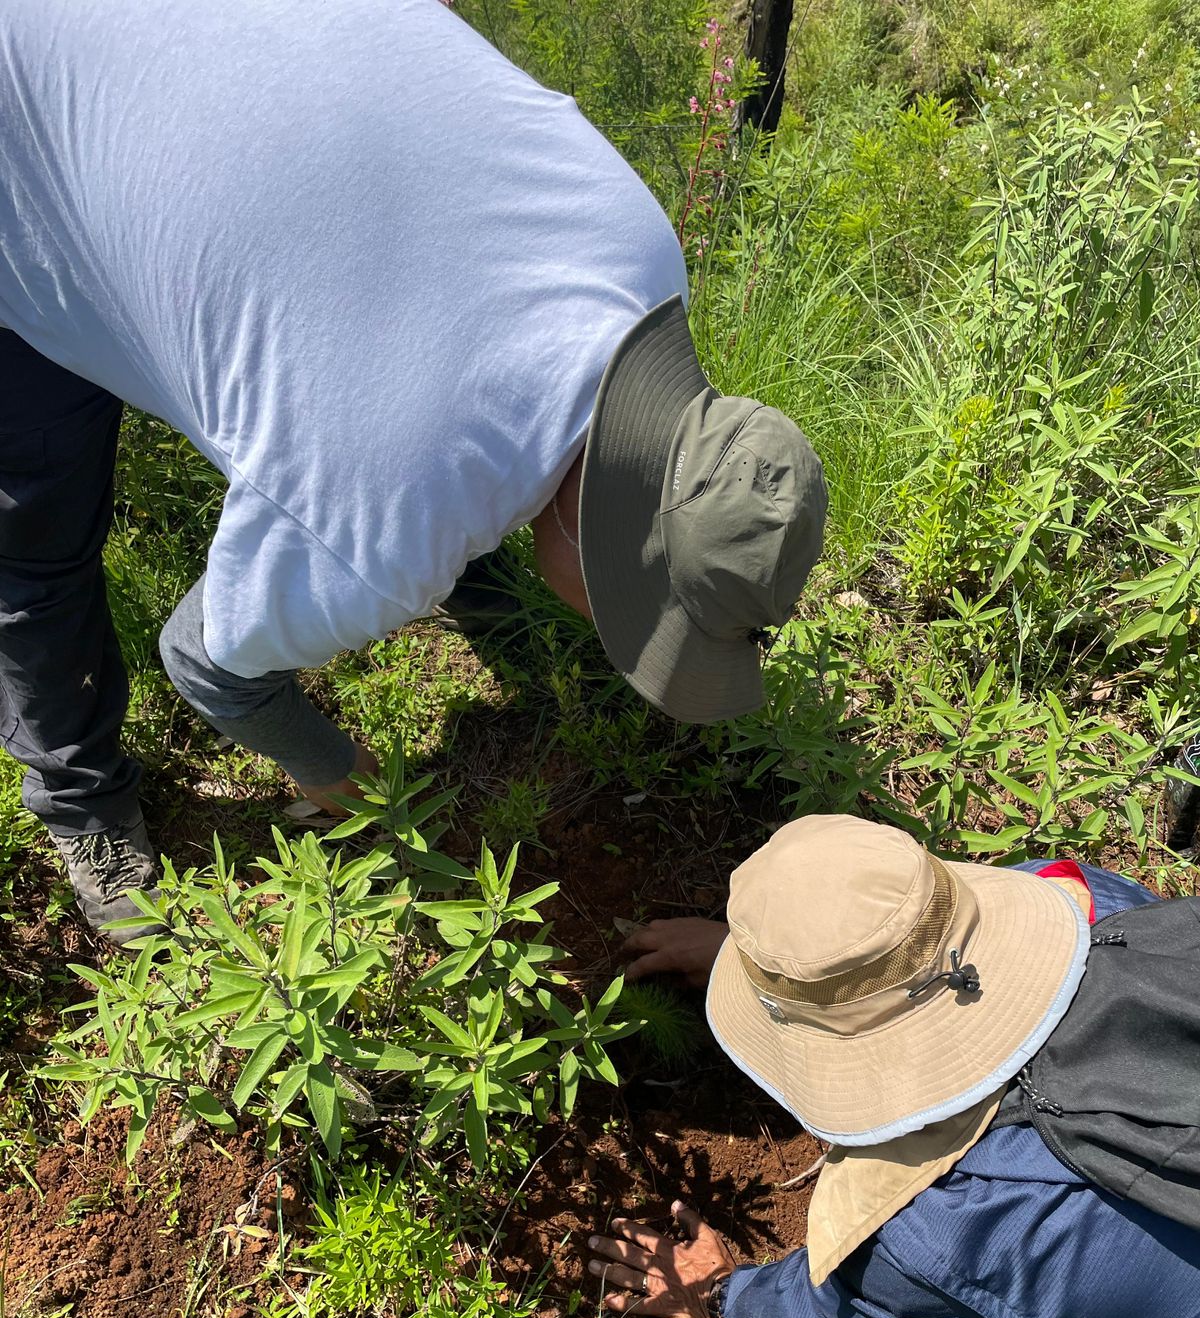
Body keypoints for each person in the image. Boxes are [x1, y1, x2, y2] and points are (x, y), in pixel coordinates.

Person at [0, 0, 827, 943]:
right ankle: (81, 798)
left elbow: (460, 401)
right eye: (631, 617)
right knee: (35, 533)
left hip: (237, 55)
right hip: (28, 126)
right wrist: (327, 767)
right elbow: (206, 666)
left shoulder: (644, 256)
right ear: (592, 544)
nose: (611, 633)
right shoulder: (371, 537)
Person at [589, 814, 1200, 1318]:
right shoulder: (1087, 900)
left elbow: (835, 1313)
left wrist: (723, 1293)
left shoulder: (958, 1233)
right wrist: (803, 971)